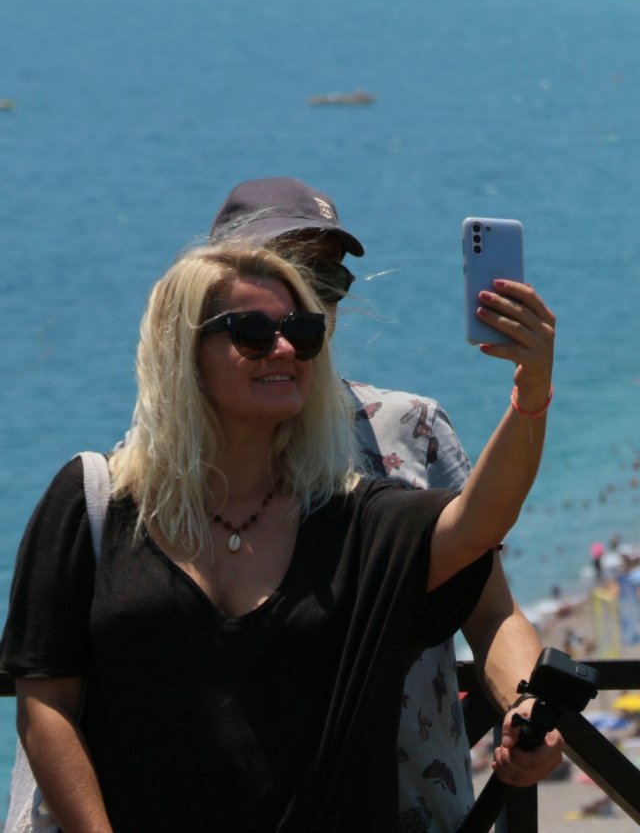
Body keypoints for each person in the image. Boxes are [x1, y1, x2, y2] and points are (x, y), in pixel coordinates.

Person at [0, 243, 555, 830]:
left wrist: (533, 386)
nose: (285, 348)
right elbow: (46, 708)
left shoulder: (355, 519)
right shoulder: (92, 502)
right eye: (252, 333)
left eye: (303, 331)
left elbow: (480, 521)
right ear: (181, 351)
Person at [204, 177, 559, 828]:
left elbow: (491, 613)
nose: (306, 304)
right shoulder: (168, 466)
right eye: (283, 277)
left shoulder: (410, 428)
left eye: (326, 282)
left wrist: (525, 705)